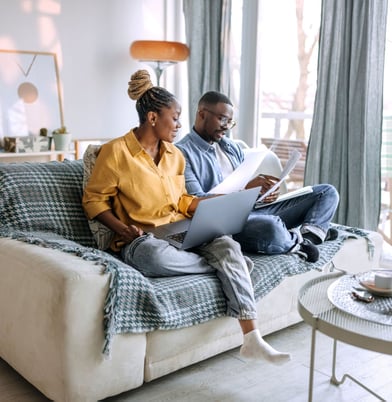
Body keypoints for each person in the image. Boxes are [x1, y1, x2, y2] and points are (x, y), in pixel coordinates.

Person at [82, 70, 291, 365]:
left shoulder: (174, 155)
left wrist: (211, 207)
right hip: (144, 238)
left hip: (182, 226)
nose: (180, 124)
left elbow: (180, 200)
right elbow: (93, 200)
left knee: (227, 244)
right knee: (152, 258)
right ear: (153, 118)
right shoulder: (116, 152)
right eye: (176, 117)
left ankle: (252, 337)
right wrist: (121, 229)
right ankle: (227, 268)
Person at [176, 91, 340, 262]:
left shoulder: (231, 147)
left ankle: (309, 239)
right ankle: (304, 238)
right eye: (223, 119)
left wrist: (262, 194)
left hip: (253, 210)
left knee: (327, 192)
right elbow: (197, 204)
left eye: (230, 122)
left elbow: (242, 186)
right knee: (270, 226)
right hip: (224, 224)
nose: (226, 126)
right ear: (202, 114)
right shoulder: (181, 153)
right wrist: (246, 190)